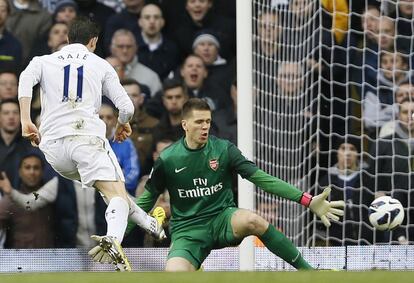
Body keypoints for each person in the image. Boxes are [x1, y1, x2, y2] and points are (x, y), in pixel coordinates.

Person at [126, 98, 344, 271]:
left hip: (223, 219)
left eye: (208, 122)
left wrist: (307, 200)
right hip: (188, 231)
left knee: (252, 220)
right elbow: (145, 201)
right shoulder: (168, 158)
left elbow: (263, 179)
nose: (205, 127)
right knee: (174, 275)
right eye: (199, 122)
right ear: (185, 125)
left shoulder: (224, 149)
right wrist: (116, 238)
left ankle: (310, 273)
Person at [17, 17, 165, 271]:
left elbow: (24, 80)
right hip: (85, 140)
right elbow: (127, 107)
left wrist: (26, 120)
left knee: (111, 191)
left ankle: (152, 225)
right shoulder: (101, 64)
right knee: (116, 194)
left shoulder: (42, 60)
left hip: (52, 149)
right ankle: (114, 241)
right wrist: (122, 124)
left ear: (67, 38)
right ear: (93, 41)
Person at [0, 153, 58, 248]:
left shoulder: (52, 195)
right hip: (19, 260)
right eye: (27, 167)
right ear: (20, 172)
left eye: (36, 168)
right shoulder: (9, 199)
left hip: (49, 258)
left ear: (42, 172)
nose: (32, 172)